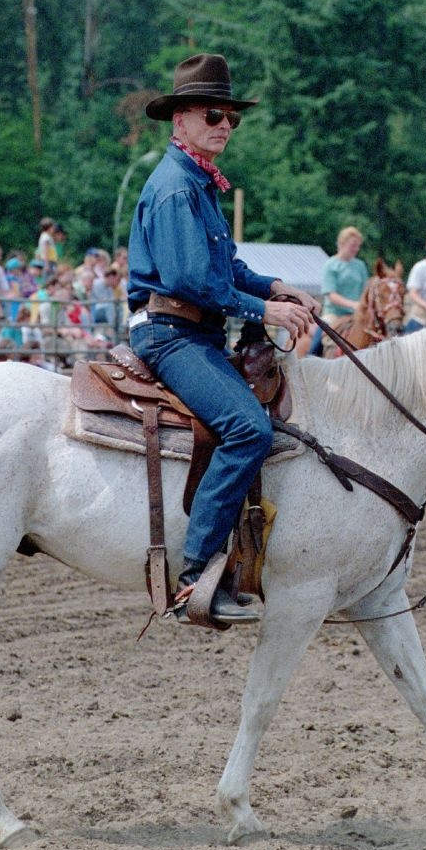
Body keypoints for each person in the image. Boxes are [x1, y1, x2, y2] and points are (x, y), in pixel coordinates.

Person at [126, 52, 318, 626]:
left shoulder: (195, 183)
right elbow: (191, 281)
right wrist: (267, 310)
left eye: (231, 117)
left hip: (190, 330)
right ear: (179, 120)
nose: (225, 125)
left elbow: (224, 266)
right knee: (247, 428)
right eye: (213, 114)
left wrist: (279, 286)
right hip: (170, 334)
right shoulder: (178, 190)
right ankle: (195, 577)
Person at [306, 225, 369, 356]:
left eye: (358, 246)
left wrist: (363, 305)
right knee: (319, 339)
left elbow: (365, 290)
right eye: (353, 245)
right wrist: (353, 304)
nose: (356, 249)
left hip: (357, 314)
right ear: (342, 243)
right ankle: (310, 358)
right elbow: (331, 295)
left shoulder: (360, 265)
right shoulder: (331, 265)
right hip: (334, 314)